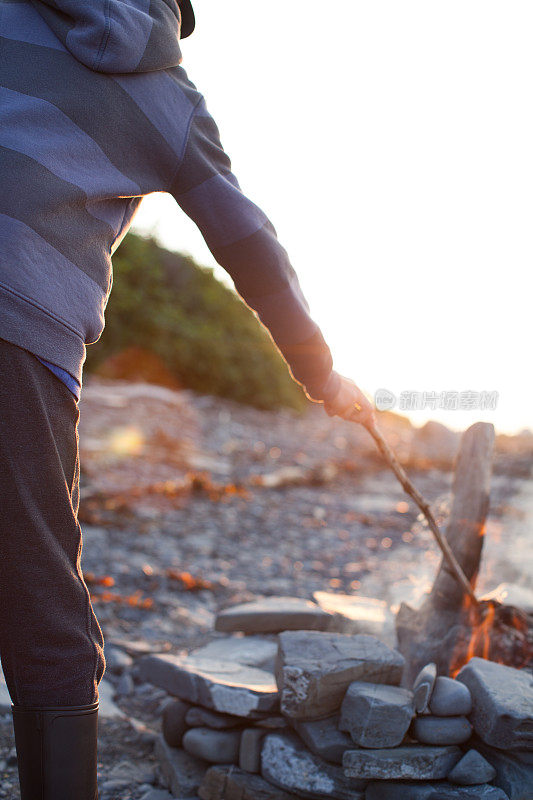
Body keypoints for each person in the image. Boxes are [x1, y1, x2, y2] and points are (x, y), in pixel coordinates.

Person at [0, 0, 374, 796]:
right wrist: (320, 373)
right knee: (37, 592)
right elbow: (248, 242)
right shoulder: (165, 93)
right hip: (15, 321)